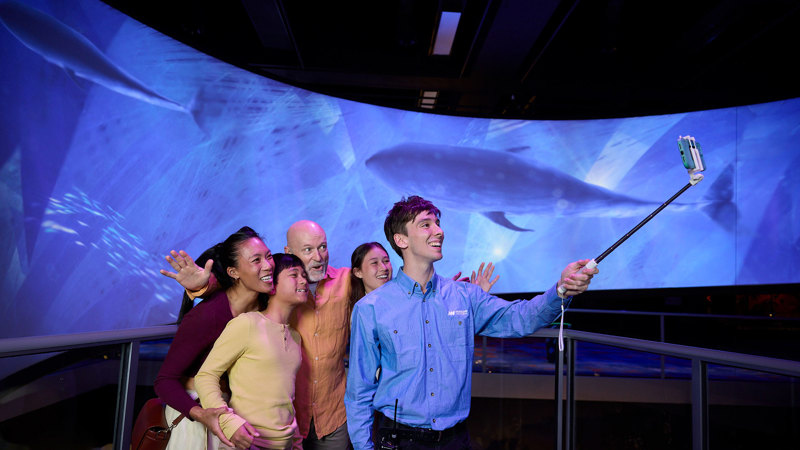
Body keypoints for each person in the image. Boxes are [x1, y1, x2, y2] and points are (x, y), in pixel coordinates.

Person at [344, 196, 598, 450]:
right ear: (401, 240)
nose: (439, 231)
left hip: (456, 440)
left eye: (438, 223)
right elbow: (359, 392)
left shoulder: (465, 296)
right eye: (425, 225)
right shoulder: (371, 308)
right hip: (399, 441)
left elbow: (522, 317)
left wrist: (561, 289)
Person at [154, 226, 274, 449]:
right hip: (198, 416)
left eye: (268, 256)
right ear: (233, 272)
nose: (268, 265)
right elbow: (164, 381)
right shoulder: (208, 315)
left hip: (238, 414)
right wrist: (200, 414)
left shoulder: (266, 306)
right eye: (256, 260)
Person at [195, 253, 309, 450]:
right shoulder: (247, 324)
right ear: (272, 285)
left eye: (304, 275)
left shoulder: (295, 337)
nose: (304, 281)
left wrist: (296, 442)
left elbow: (285, 398)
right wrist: (228, 422)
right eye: (294, 275)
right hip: (246, 444)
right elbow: (205, 375)